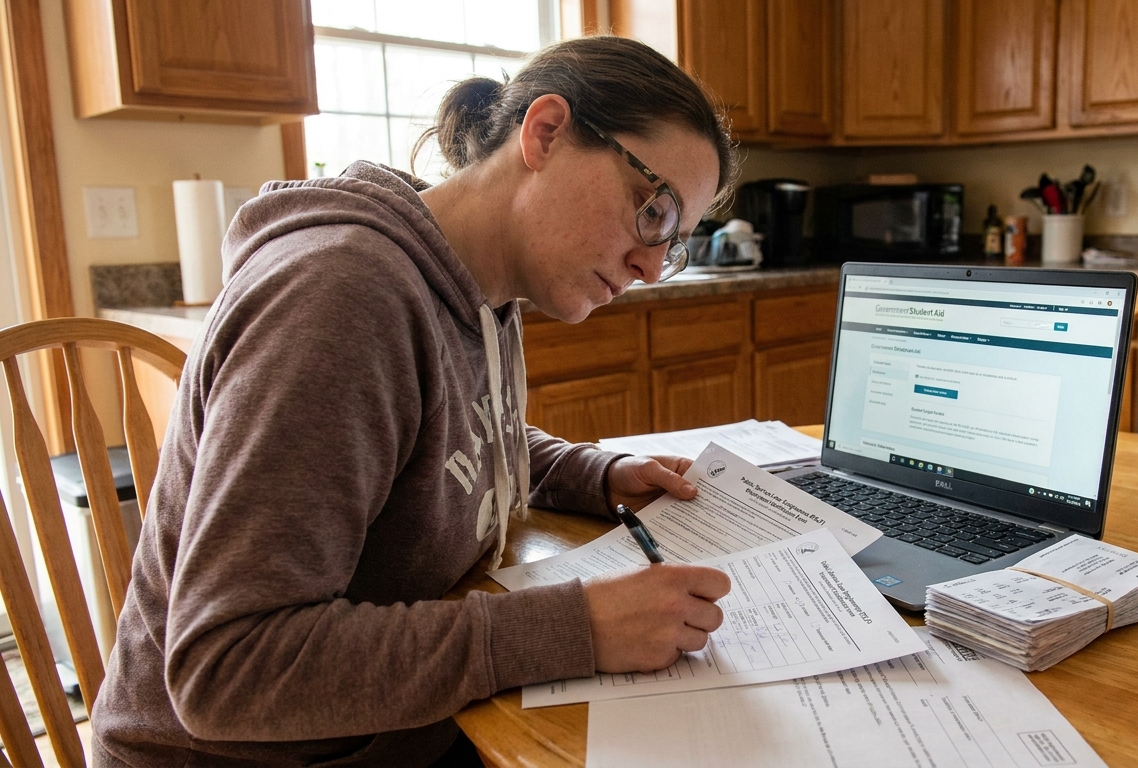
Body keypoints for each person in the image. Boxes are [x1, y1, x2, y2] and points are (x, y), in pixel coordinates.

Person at [92, 35, 740, 767]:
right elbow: (226, 669)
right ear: (547, 133)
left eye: (676, 241)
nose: (653, 268)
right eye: (652, 211)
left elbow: (441, 438)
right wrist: (576, 628)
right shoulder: (339, 298)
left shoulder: (479, 284)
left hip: (396, 729)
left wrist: (590, 472)